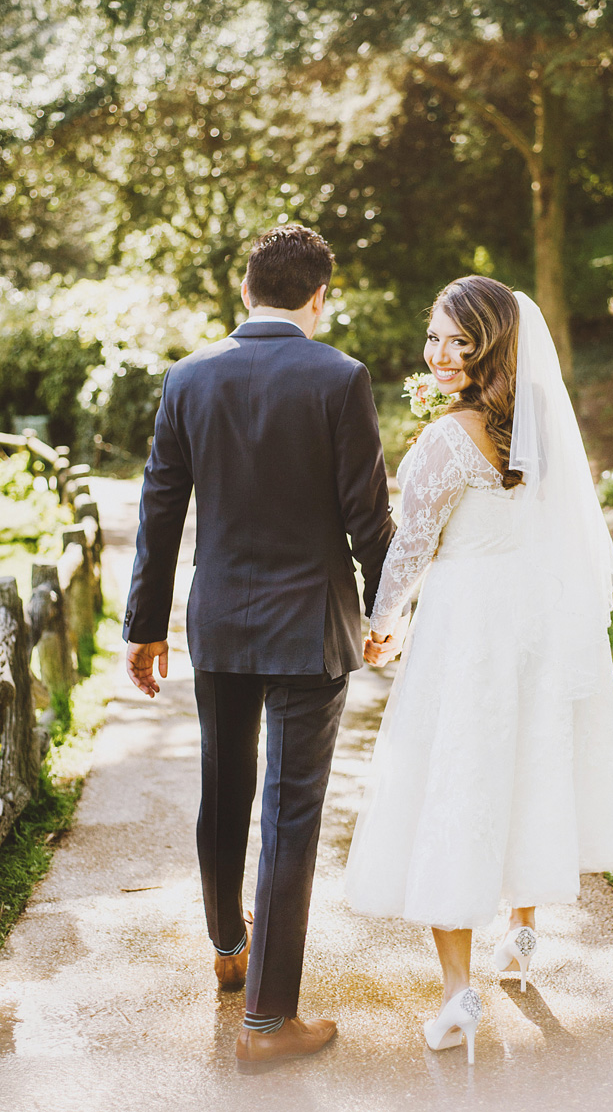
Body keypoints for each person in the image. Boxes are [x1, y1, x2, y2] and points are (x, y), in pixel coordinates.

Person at [123, 223, 395, 1070]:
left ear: (245, 291)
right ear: (319, 298)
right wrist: (391, 613)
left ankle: (227, 950)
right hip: (310, 626)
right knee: (289, 812)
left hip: (220, 623)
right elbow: (368, 520)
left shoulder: (188, 377)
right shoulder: (340, 376)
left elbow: (159, 509)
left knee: (224, 784)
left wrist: (144, 626)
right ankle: (270, 1023)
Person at [343, 275, 613, 1062]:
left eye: (458, 342)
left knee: (455, 783)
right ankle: (523, 934)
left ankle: (457, 991)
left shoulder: (444, 442)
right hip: (536, 626)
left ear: (490, 349)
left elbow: (410, 550)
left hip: (467, 633)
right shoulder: (544, 439)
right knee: (529, 764)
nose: (439, 353)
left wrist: (382, 623)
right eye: (434, 337)